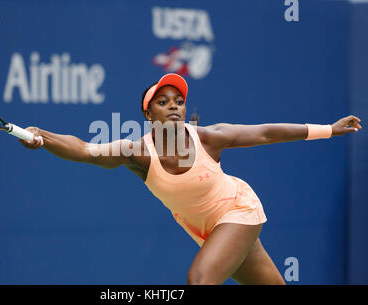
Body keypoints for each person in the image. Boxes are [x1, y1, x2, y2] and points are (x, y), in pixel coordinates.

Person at [20, 73, 362, 285]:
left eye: (179, 102)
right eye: (163, 101)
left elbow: (265, 133)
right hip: (208, 231)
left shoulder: (209, 137)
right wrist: (41, 136)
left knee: (199, 281)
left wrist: (328, 130)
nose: (173, 106)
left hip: (239, 210)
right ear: (147, 113)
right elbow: (83, 149)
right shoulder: (136, 153)